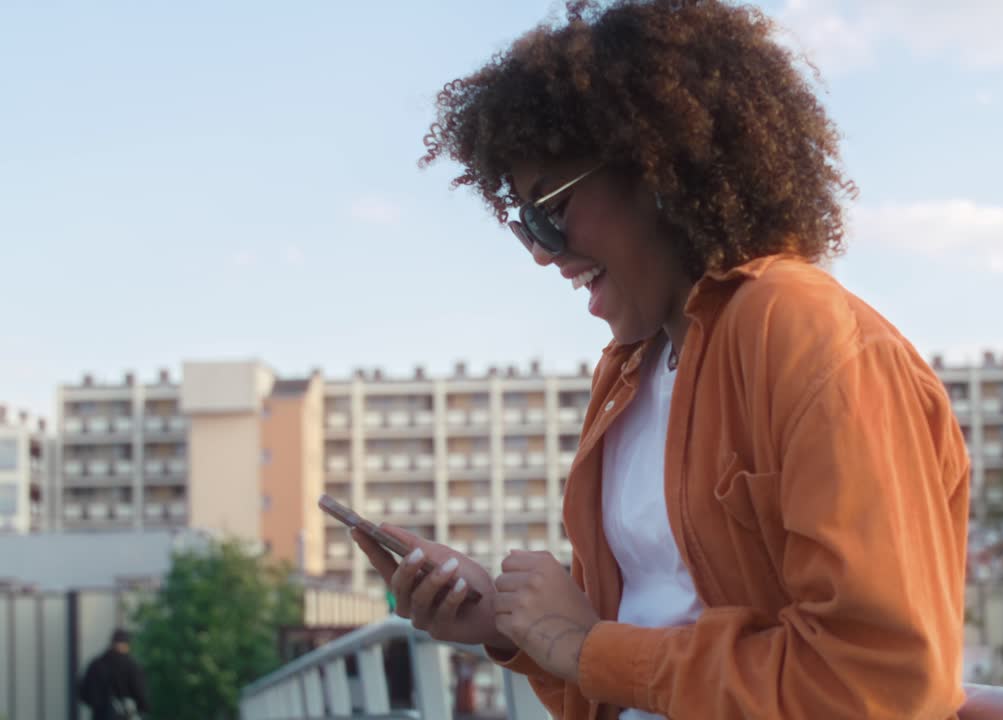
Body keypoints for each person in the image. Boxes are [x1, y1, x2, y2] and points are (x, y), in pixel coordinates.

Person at [353, 1, 970, 717]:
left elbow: (880, 686)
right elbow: (631, 660)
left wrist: (585, 648)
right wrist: (506, 623)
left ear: (658, 169)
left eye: (548, 208)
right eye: (521, 224)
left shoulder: (804, 334)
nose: (542, 252)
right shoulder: (626, 374)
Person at [78, 628, 149, 720]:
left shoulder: (96, 664)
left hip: (100, 716)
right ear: (126, 645)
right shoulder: (131, 666)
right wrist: (143, 708)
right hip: (124, 715)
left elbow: (83, 691)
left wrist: (98, 705)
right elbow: (140, 692)